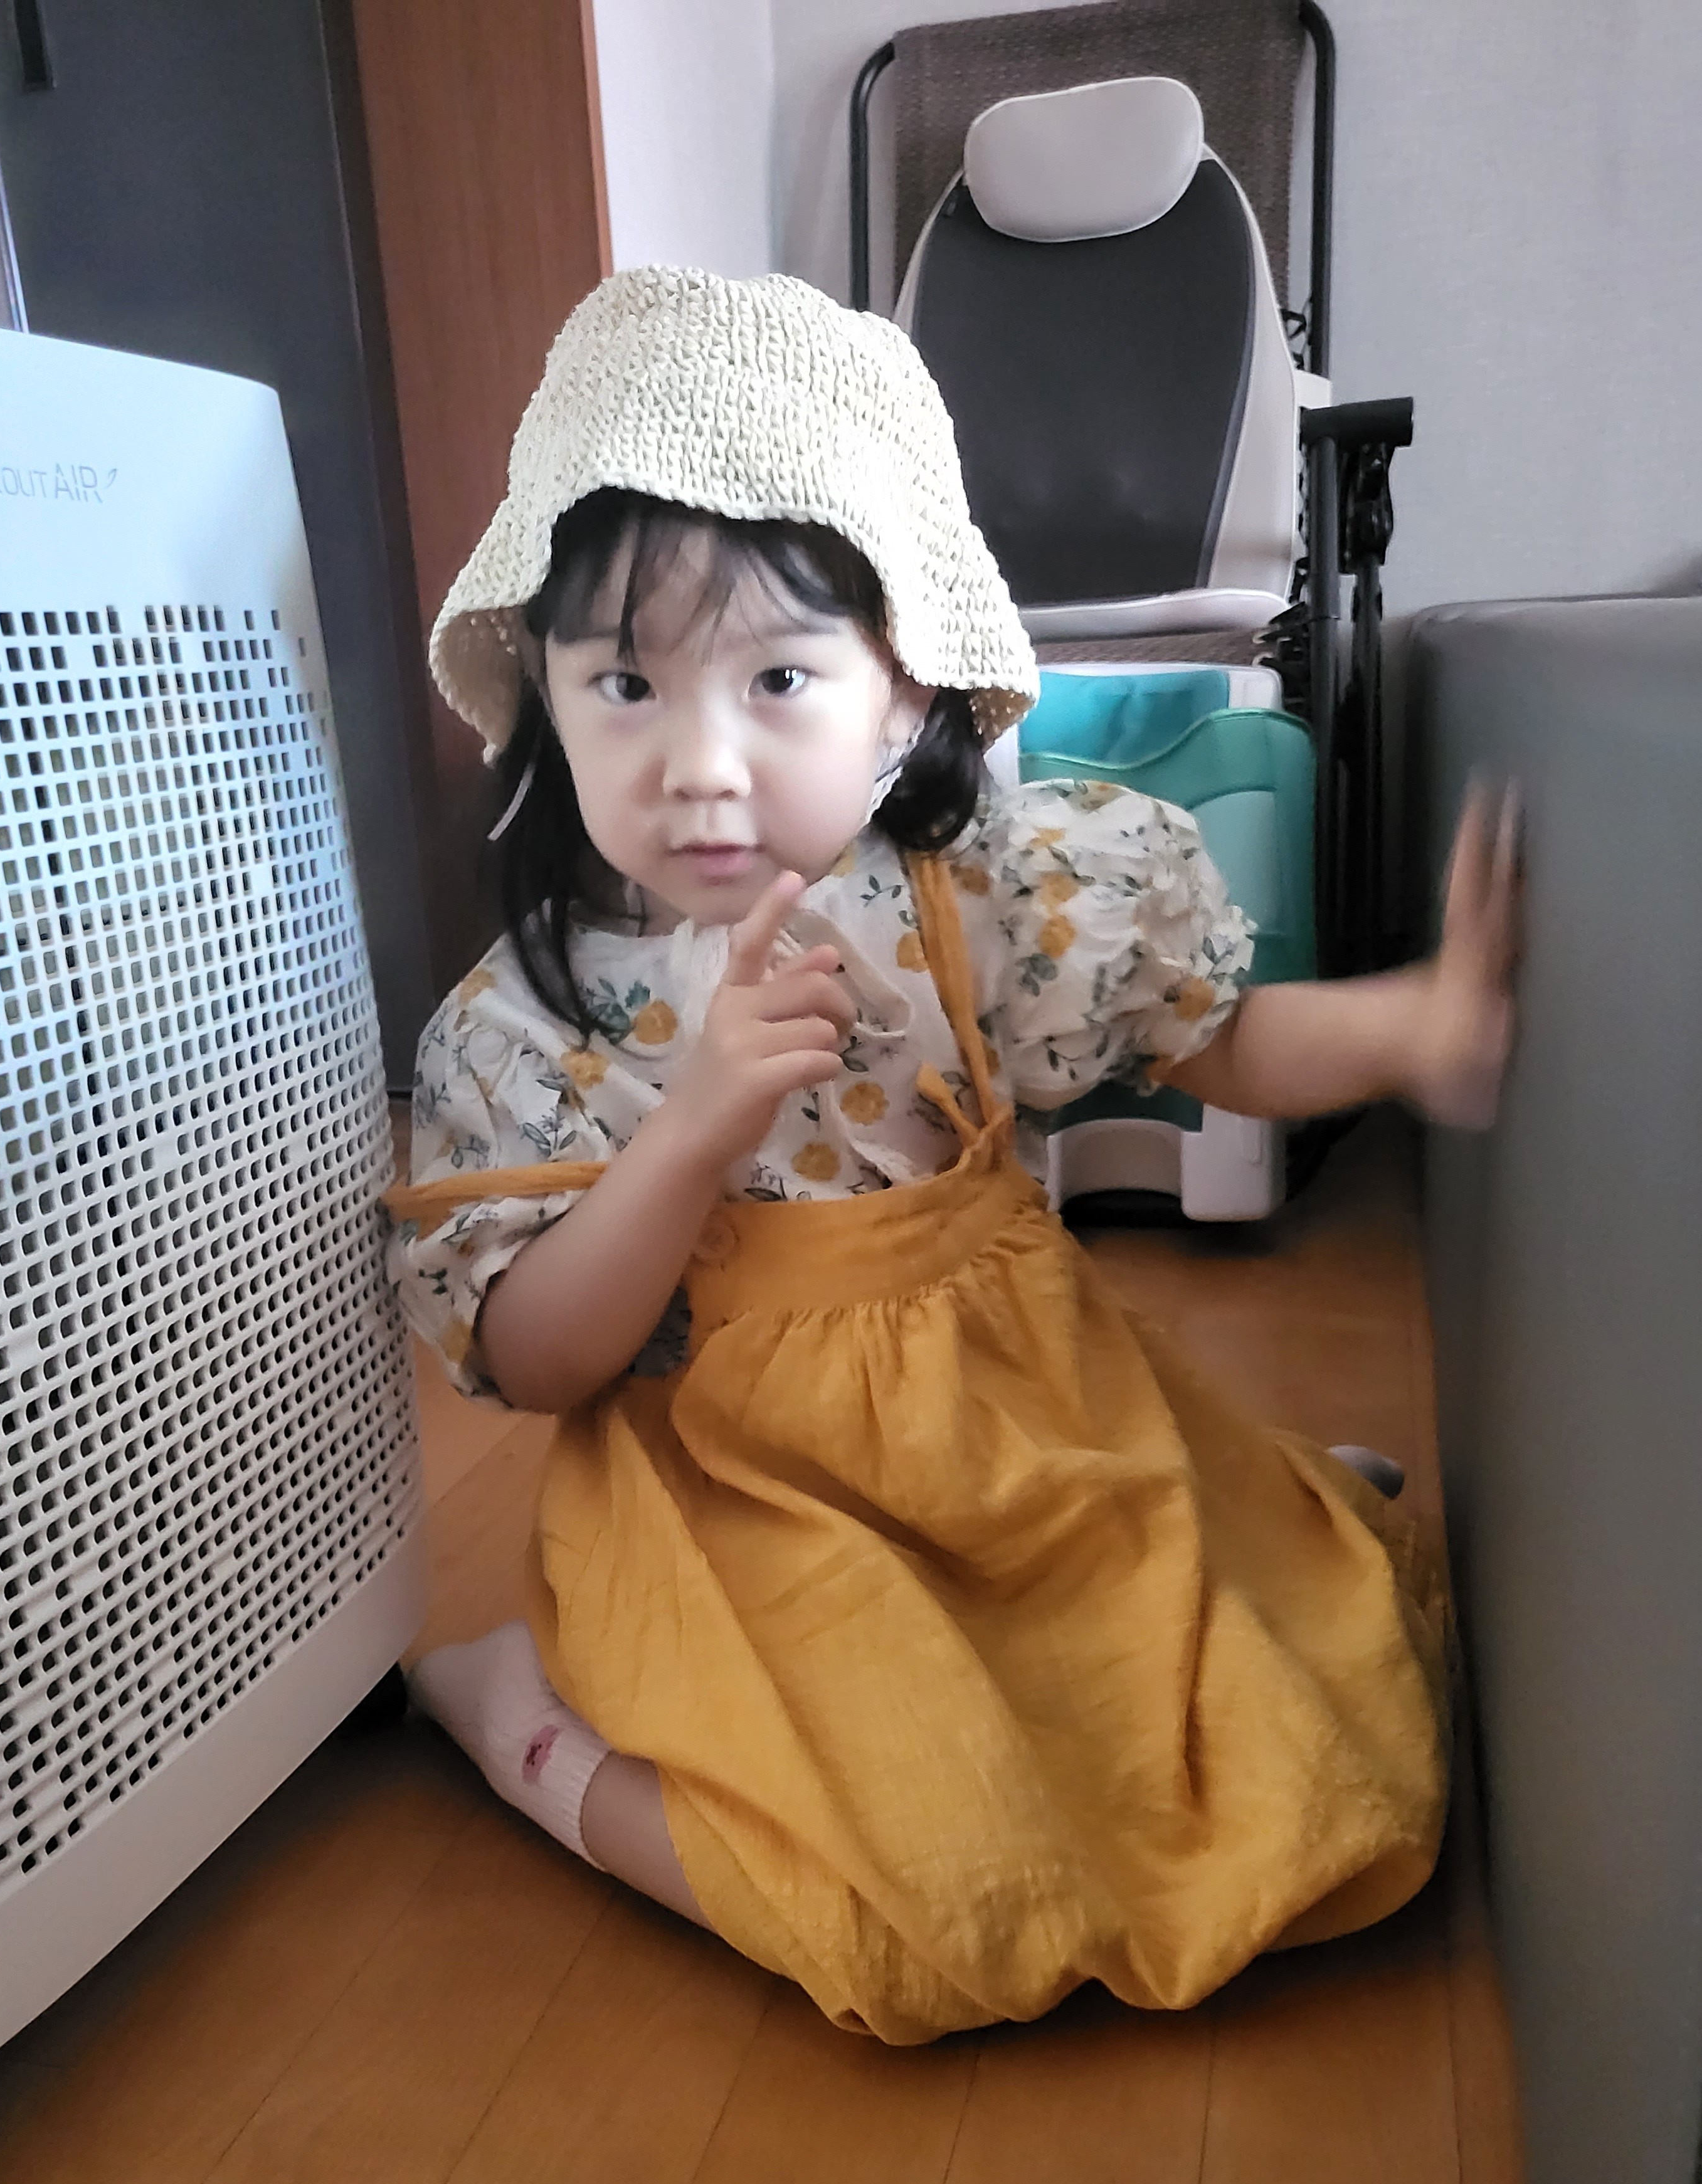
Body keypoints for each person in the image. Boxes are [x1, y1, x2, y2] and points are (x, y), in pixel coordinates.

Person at [385, 268, 1516, 2045]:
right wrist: (691, 1133)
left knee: (1310, 1739)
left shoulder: (975, 886)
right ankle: (519, 1723)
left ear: (904, 690)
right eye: (626, 683)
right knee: (917, 1907)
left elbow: (1212, 1041)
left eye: (778, 677)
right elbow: (532, 1359)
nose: (700, 766)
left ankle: (1250, 1511)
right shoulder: (533, 1022)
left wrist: (1416, 1028)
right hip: (752, 1512)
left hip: (1021, 1442)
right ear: (542, 688)